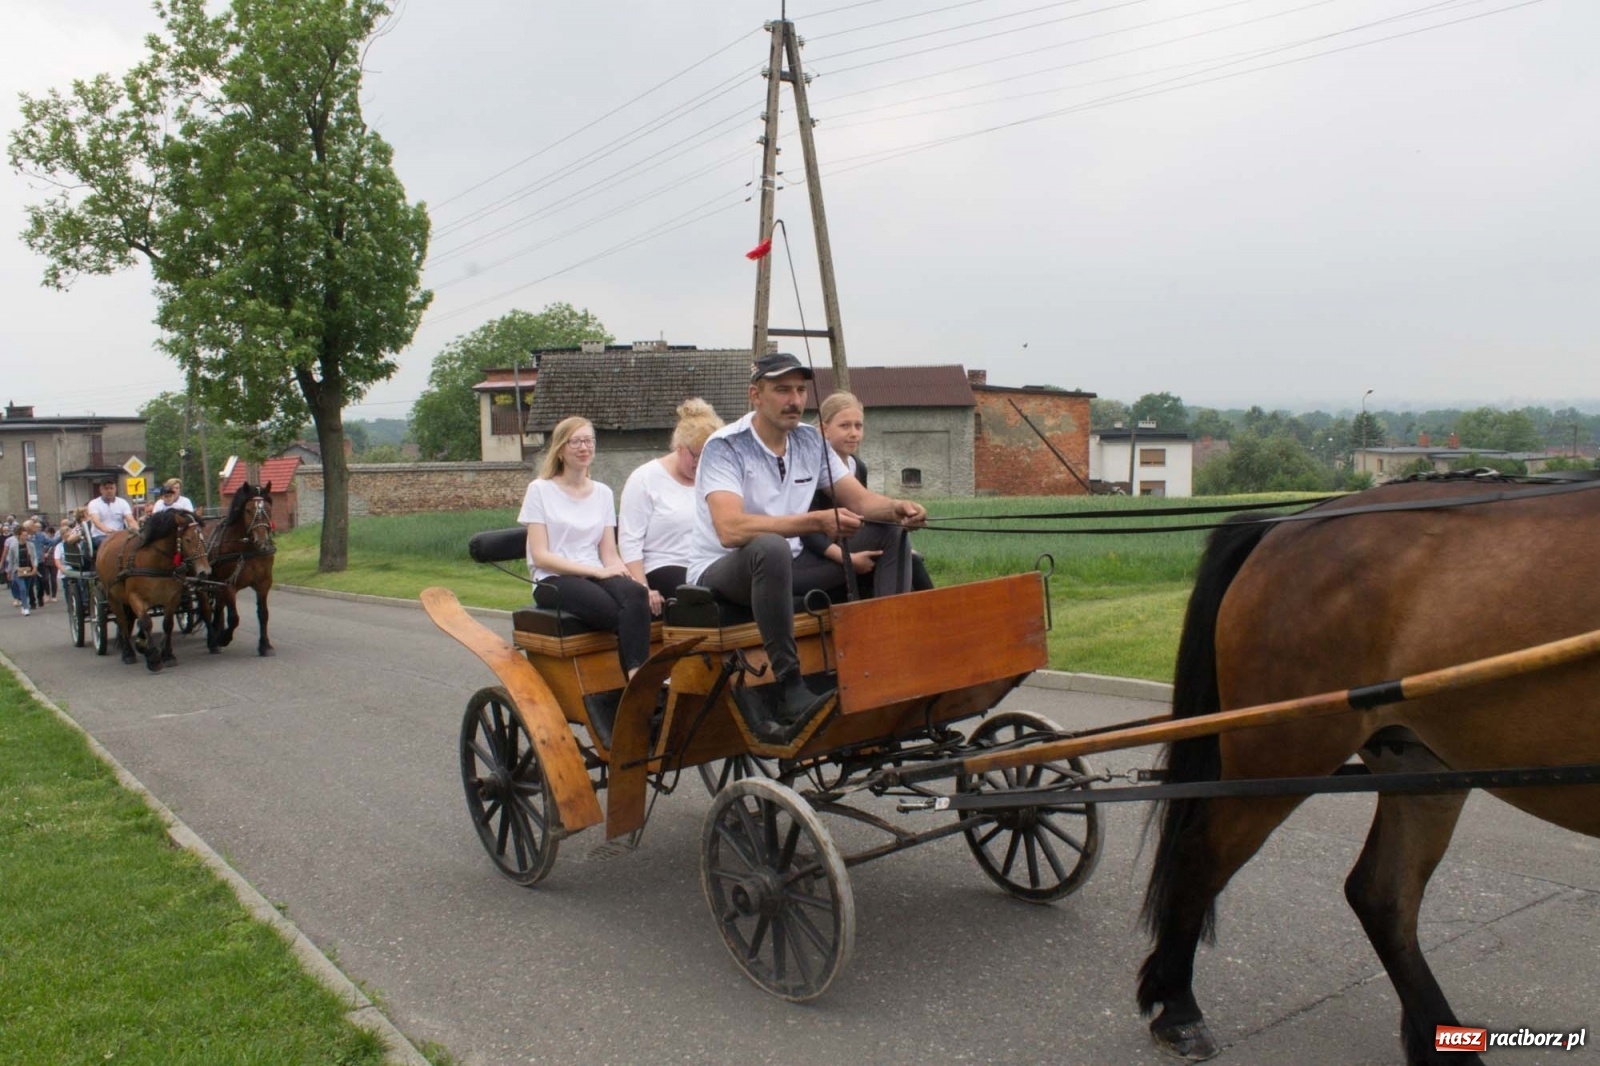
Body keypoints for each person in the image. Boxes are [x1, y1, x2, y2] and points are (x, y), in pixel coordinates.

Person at [684, 352, 927, 738]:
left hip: (785, 570)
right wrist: (814, 521)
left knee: (890, 531)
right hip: (722, 570)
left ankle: (888, 655)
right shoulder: (726, 446)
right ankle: (789, 684)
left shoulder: (810, 442)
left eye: (800, 390)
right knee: (771, 546)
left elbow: (861, 501)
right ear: (755, 395)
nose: (794, 399)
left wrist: (897, 507)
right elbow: (729, 530)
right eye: (782, 390)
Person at [520, 416, 651, 680]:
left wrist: (629, 576)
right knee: (618, 613)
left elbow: (609, 554)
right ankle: (633, 679)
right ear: (560, 449)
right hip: (552, 580)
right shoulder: (540, 490)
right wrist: (598, 571)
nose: (584, 447)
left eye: (589, 441)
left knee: (636, 595)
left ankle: (639, 678)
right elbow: (541, 556)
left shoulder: (602, 492)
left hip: (594, 573)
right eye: (576, 441)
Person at [800, 391, 935, 597]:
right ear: (824, 430)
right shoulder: (814, 466)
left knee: (913, 560)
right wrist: (848, 558)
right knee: (894, 537)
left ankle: (935, 619)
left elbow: (865, 513)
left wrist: (903, 524)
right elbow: (808, 532)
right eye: (845, 426)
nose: (853, 433)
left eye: (858, 426)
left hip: (850, 540)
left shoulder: (858, 467)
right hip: (821, 552)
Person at [618, 398, 724, 617]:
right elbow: (630, 541)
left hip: (710, 564)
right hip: (665, 565)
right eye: (696, 456)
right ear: (679, 447)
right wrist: (643, 589)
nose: (702, 463)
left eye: (710, 456)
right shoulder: (644, 479)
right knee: (704, 601)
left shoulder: (716, 477)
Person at [4, 519, 40, 616]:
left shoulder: (30, 545)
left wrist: (35, 567)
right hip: (18, 570)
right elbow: (11, 560)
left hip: (28, 570)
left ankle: (24, 604)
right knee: (23, 589)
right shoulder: (13, 546)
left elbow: (34, 557)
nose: (26, 537)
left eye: (26, 535)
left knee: (27, 589)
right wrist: (9, 571)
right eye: (24, 535)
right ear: (19, 536)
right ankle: (25, 607)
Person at [85, 479, 137, 544]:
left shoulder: (123, 502)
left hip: (119, 535)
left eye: (111, 488)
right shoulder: (94, 503)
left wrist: (137, 530)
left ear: (115, 489)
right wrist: (107, 530)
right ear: (101, 490)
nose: (109, 491)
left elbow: (130, 520)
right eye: (106, 488)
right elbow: (96, 521)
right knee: (112, 543)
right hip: (100, 536)